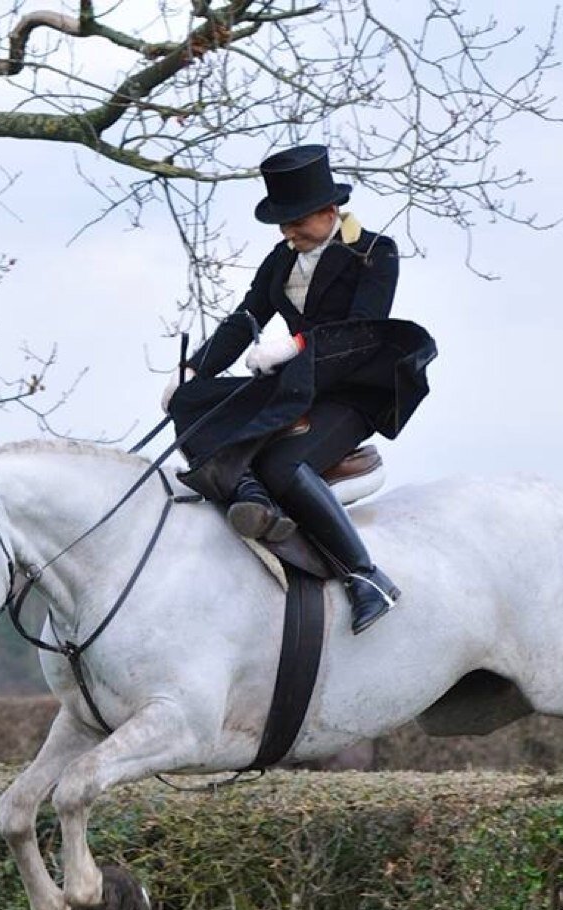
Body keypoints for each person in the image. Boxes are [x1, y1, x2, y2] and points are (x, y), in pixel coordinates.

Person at [162, 144, 436, 634]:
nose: (288, 232)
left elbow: (362, 331)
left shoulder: (375, 253)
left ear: (329, 211)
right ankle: (248, 495)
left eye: (296, 222)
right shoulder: (281, 257)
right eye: (282, 224)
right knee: (193, 404)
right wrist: (195, 368)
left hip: (348, 391)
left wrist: (295, 345)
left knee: (284, 464)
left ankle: (366, 576)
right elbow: (247, 316)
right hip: (293, 385)